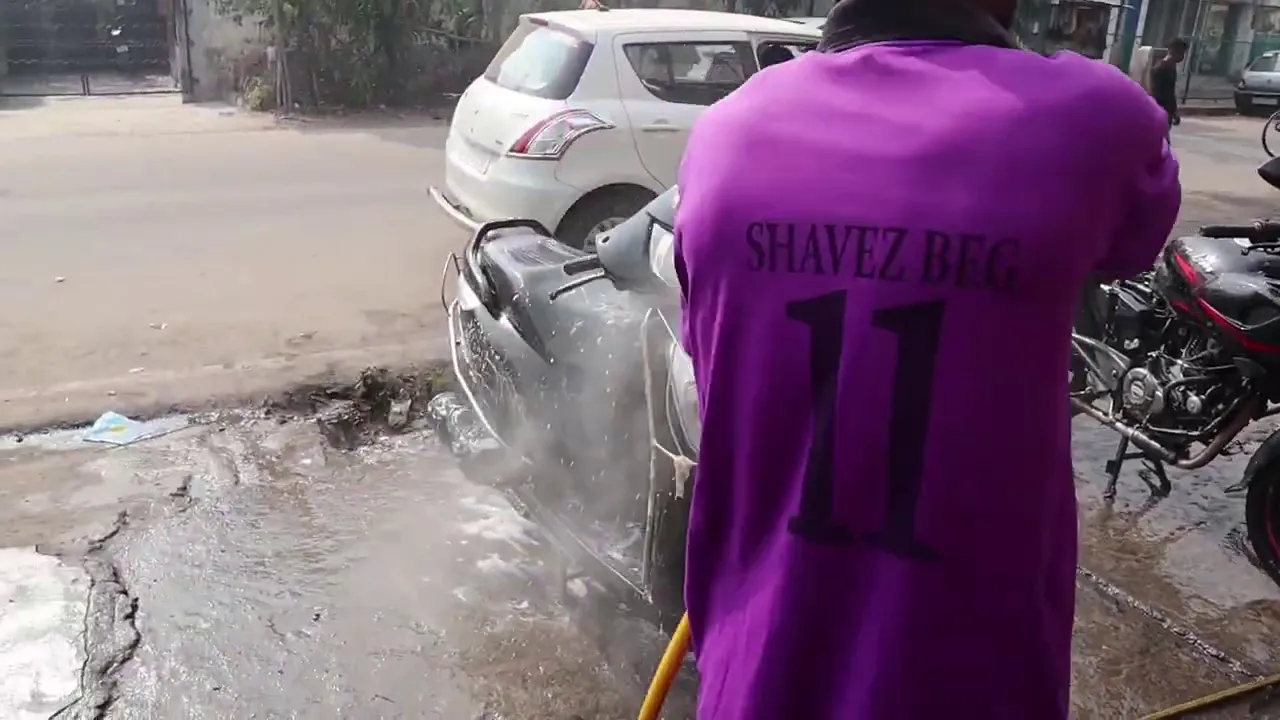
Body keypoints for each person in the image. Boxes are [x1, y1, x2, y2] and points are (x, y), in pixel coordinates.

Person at [672, 0, 1181, 718]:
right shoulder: (1097, 120)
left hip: (754, 677)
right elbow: (1135, 237)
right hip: (973, 682)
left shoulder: (724, 130)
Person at [1152, 38, 1188, 129]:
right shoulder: (1160, 69)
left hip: (1167, 112)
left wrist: (1174, 112)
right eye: (1180, 53)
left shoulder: (1171, 67)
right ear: (1172, 51)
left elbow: (1171, 92)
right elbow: (1158, 94)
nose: (1182, 56)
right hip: (1160, 112)